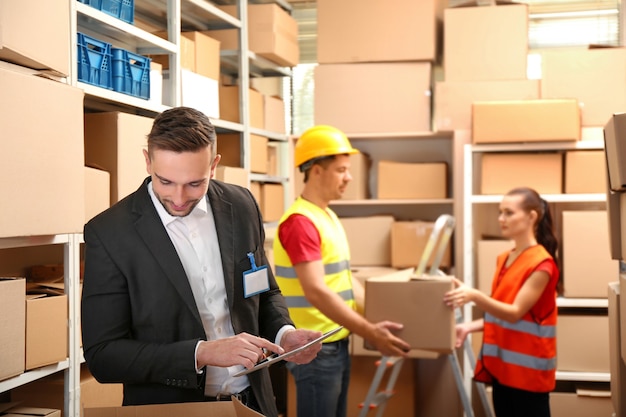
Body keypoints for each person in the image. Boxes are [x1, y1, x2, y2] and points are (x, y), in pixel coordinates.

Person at [81, 106, 321, 417]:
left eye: (195, 184)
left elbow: (264, 292)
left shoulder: (241, 205)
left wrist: (284, 334)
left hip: (252, 402)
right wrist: (201, 353)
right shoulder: (110, 233)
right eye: (165, 182)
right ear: (147, 161)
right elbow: (104, 356)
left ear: (214, 166)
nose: (179, 198)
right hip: (171, 408)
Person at [273, 125, 411, 417]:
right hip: (315, 348)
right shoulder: (300, 222)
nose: (349, 177)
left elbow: (345, 282)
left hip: (335, 342)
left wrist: (375, 322)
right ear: (316, 171)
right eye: (341, 170)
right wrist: (369, 331)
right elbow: (316, 290)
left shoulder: (326, 215)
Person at [443, 187, 560, 417]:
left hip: (528, 377)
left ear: (532, 216)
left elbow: (515, 312)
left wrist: (475, 296)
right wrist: (470, 327)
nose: (501, 219)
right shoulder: (504, 259)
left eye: (508, 213)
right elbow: (502, 313)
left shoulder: (542, 265)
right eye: (500, 212)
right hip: (502, 371)